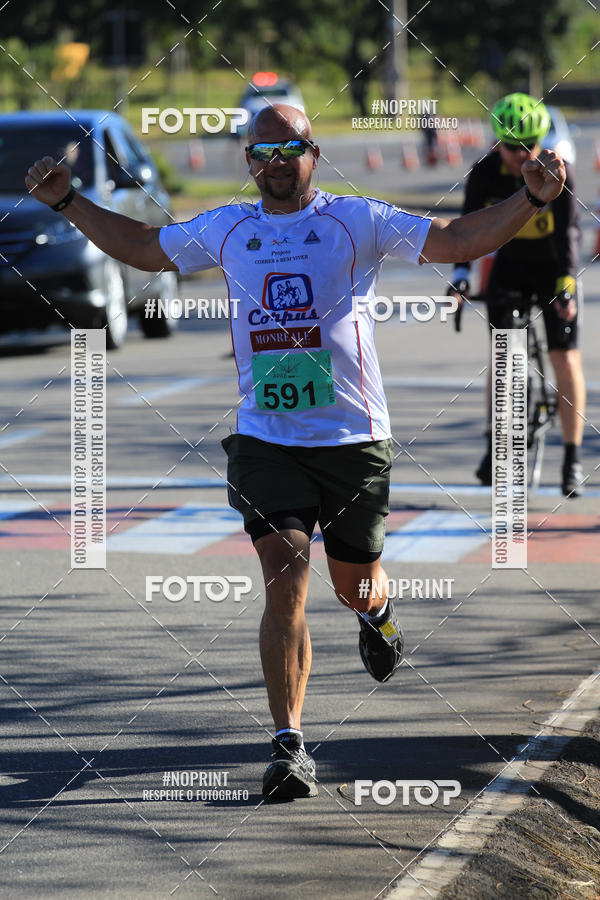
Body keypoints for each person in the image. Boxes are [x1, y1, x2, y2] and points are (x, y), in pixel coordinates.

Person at [25, 103, 566, 800]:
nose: (275, 164)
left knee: (352, 584)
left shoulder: (357, 220)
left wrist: (529, 196)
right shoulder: (228, 227)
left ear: (314, 151)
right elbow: (145, 246)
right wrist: (69, 201)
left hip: (353, 442)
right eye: (262, 152)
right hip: (266, 440)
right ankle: (288, 744)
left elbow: (458, 239)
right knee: (285, 571)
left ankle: (375, 615)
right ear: (248, 161)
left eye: (290, 149)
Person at [449, 93, 585, 497]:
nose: (517, 154)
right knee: (504, 352)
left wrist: (567, 287)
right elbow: (465, 229)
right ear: (497, 141)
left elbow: (570, 237)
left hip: (551, 268)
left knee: (564, 355)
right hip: (510, 267)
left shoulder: (559, 172)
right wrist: (459, 277)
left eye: (527, 145)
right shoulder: (486, 172)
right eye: (509, 145)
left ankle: (573, 457)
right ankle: (497, 445)